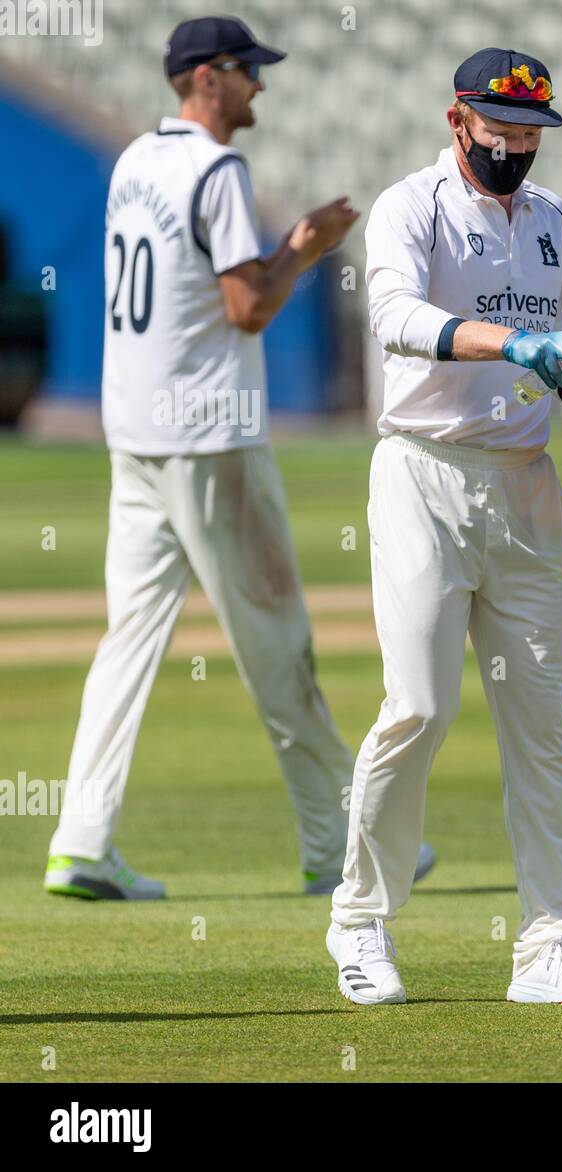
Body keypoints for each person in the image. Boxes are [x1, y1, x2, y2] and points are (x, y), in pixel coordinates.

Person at [45, 16, 435, 901]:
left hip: (135, 427)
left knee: (128, 642)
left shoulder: (136, 161)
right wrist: (303, 246)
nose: (260, 84)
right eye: (248, 70)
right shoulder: (216, 169)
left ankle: (80, 840)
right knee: (276, 643)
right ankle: (339, 841)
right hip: (210, 431)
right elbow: (246, 307)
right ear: (205, 78)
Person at [327, 48, 562, 1007]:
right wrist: (517, 342)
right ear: (459, 119)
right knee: (418, 705)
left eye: (531, 133)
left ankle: (548, 945)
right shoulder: (410, 205)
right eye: (501, 130)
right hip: (424, 472)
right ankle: (361, 924)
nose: (517, 149)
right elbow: (396, 317)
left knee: (541, 726)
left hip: (527, 484)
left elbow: (546, 357)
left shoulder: (551, 220)